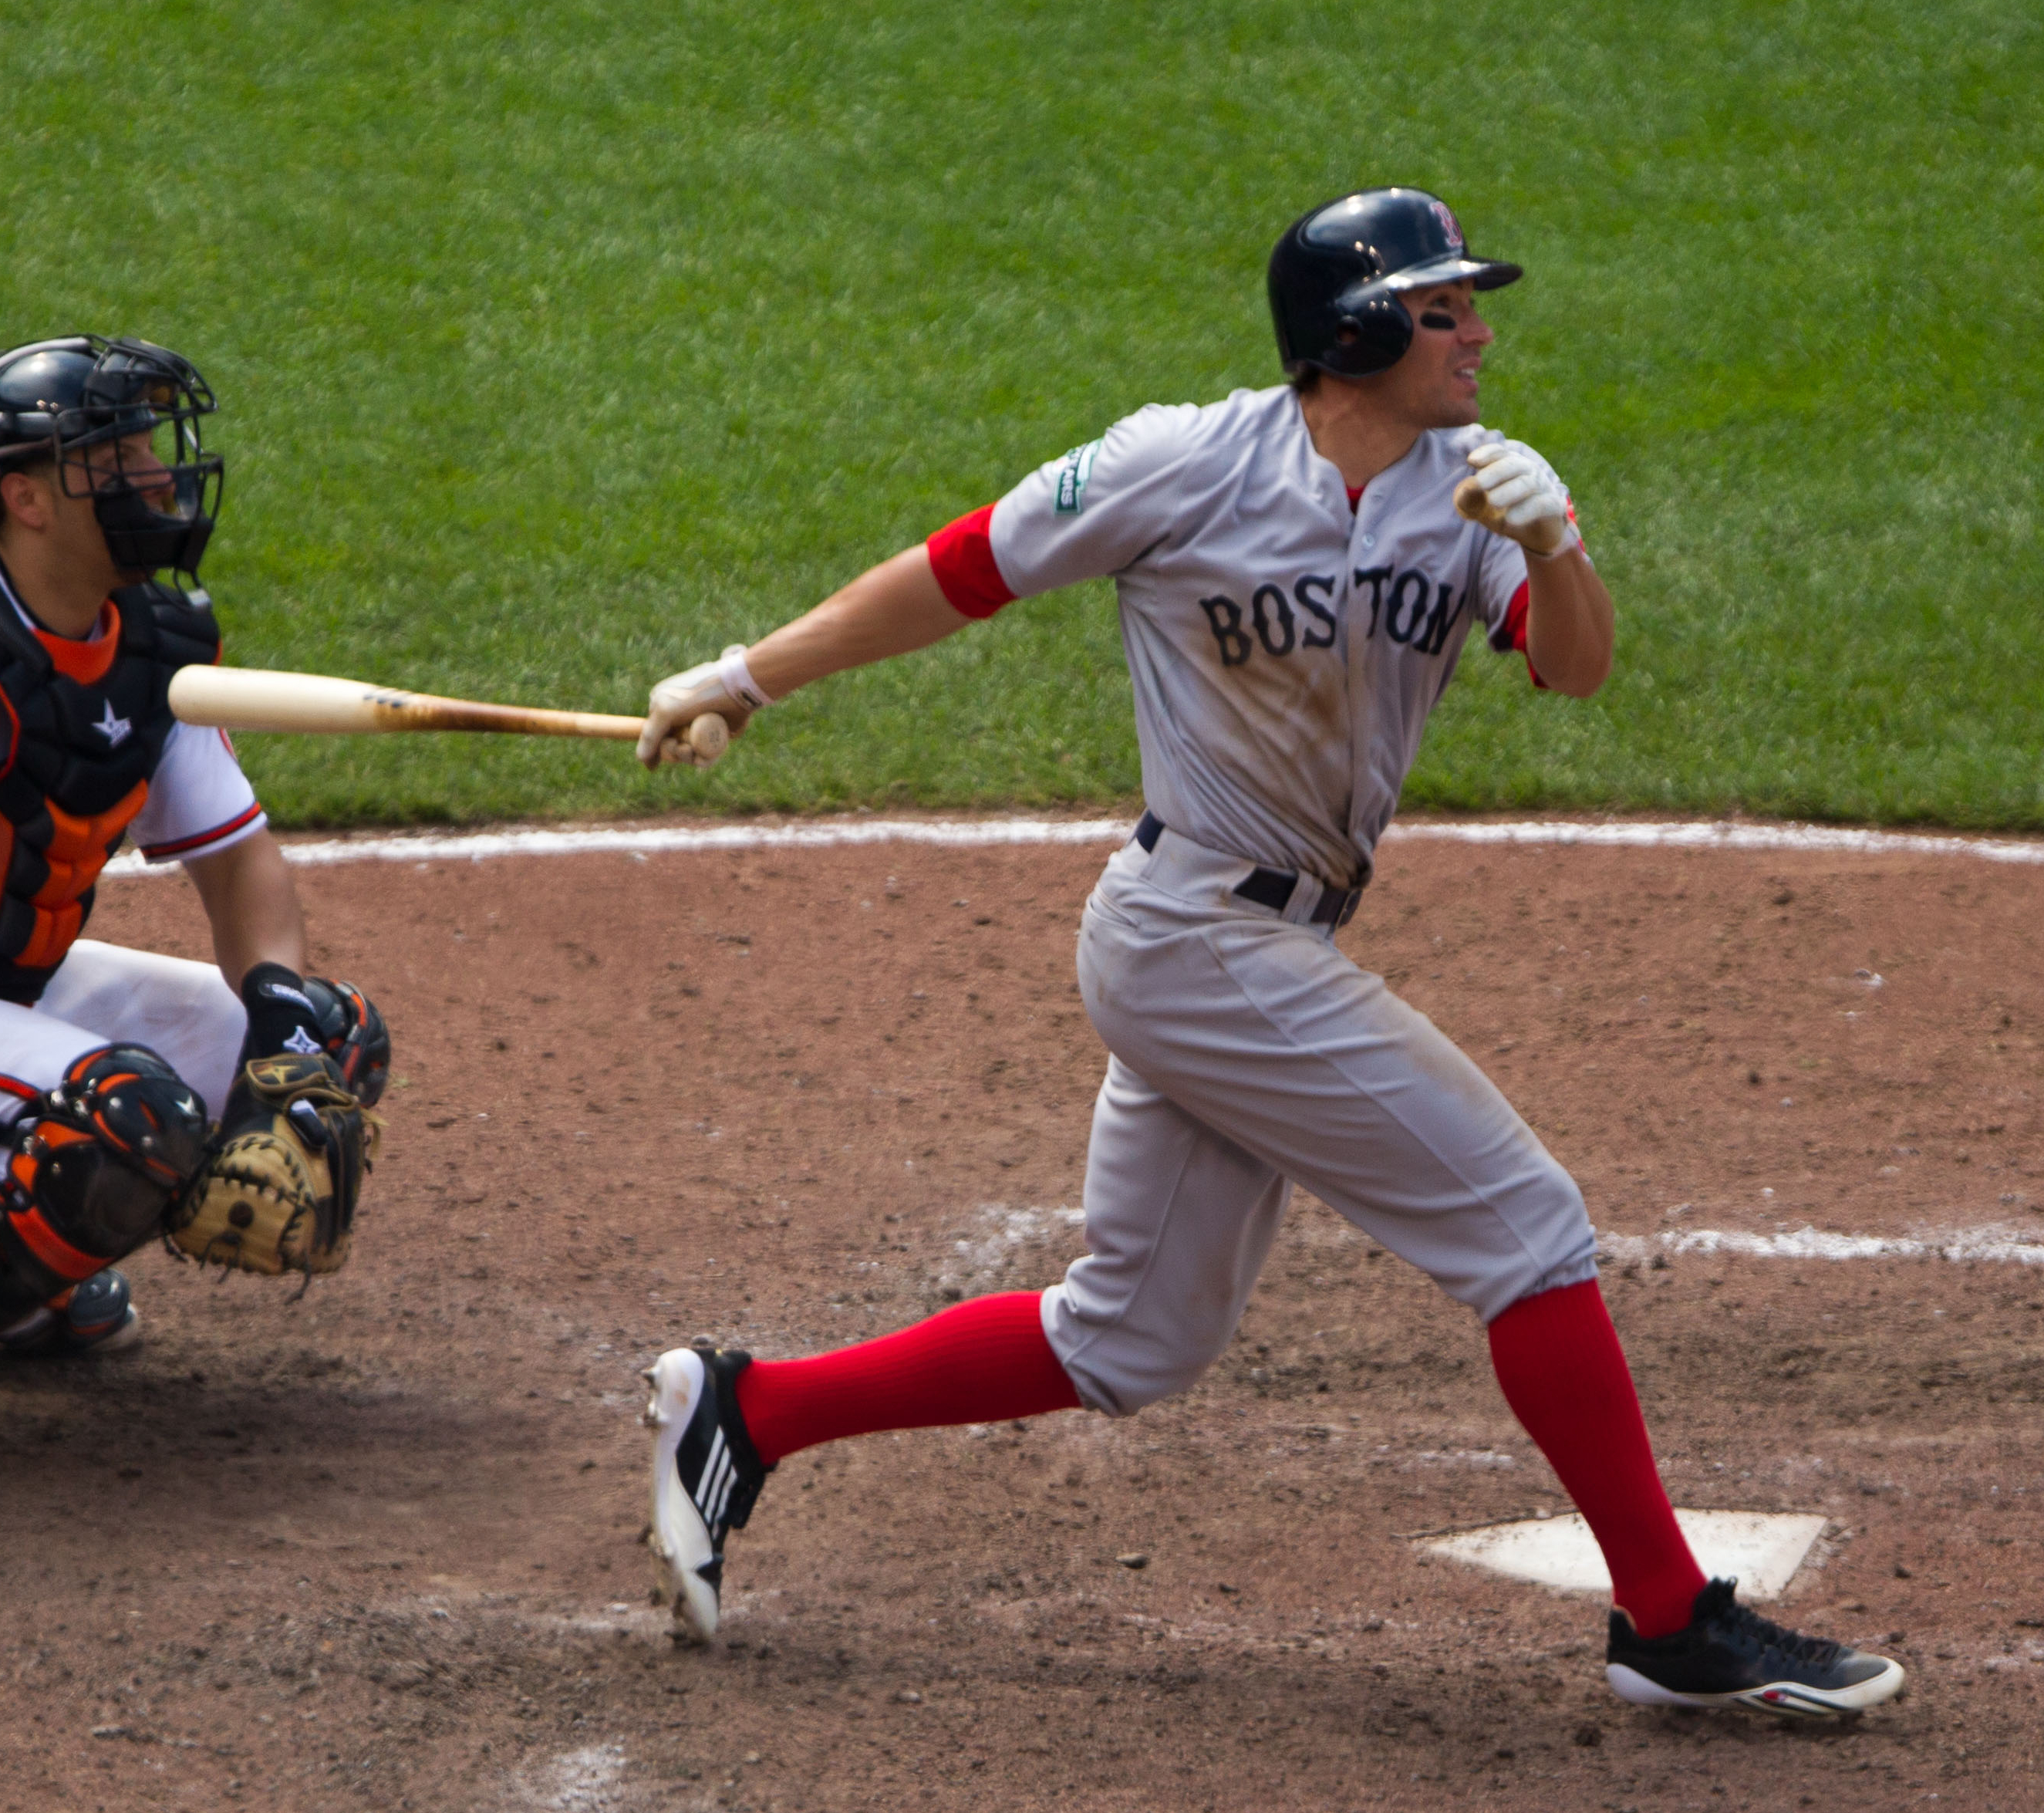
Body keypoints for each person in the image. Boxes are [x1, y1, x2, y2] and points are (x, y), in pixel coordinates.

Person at [632, 190, 1902, 1717]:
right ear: (1353, 330)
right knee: (1523, 1224)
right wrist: (738, 679)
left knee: (1131, 1334)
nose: (1479, 332)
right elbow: (961, 568)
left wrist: (1554, 544)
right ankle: (1662, 1615)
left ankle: (749, 1409)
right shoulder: (1181, 461)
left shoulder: (1469, 490)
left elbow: (1572, 669)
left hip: (1240, 944)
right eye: (1443, 310)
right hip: (1193, 934)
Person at [0, 336, 387, 1358]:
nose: (156, 475)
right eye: (113, 456)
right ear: (26, 499)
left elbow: (238, 861)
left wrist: (278, 1025)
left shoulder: (151, 645)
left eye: (148, 447)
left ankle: (34, 1281)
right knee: (127, 1116)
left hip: (17, 993)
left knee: (327, 1039)